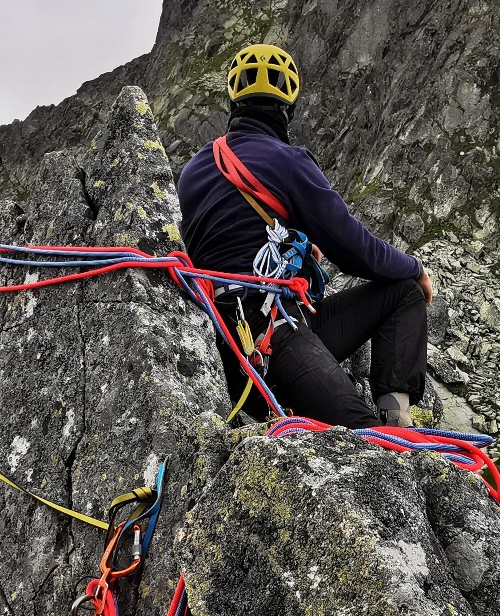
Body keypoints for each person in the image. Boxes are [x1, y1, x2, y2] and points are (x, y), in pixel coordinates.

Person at [177, 43, 432, 428]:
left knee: (400, 295)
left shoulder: (192, 171)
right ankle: (395, 425)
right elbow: (354, 248)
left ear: (233, 103)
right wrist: (414, 268)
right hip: (272, 337)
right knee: (370, 442)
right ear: (288, 108)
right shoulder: (289, 162)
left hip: (220, 342)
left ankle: (392, 427)